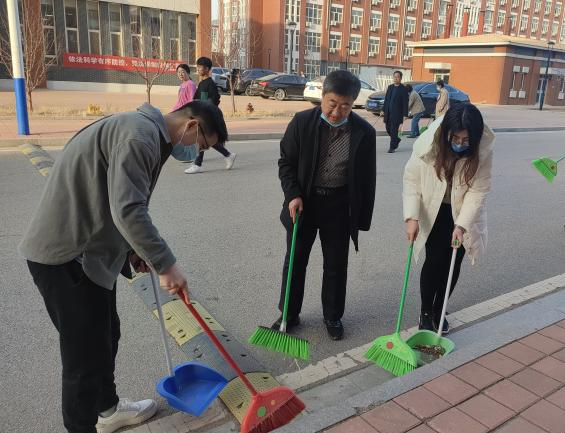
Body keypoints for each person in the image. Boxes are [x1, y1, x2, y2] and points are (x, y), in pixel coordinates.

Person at [19, 100, 228, 433]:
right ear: (192, 125)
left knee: (105, 336)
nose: (195, 152)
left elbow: (114, 198)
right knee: (84, 359)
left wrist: (134, 250)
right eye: (201, 145)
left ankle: (108, 410)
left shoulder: (143, 131)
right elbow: (128, 210)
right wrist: (166, 264)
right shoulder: (139, 137)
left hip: (88, 253)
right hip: (67, 256)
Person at [276, 70, 376, 340]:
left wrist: (361, 219)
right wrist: (293, 195)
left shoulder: (364, 132)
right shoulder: (301, 123)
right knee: (295, 260)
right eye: (332, 103)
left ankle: (333, 315)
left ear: (353, 103)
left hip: (339, 206)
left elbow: (367, 179)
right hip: (304, 203)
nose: (336, 112)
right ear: (322, 97)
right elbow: (286, 163)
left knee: (335, 264)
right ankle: (288, 314)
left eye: (345, 106)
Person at [403, 103, 494, 335]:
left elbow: (478, 191)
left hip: (463, 212)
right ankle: (426, 313)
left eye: (466, 141)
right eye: (455, 138)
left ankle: (439, 310)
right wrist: (412, 217)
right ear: (446, 133)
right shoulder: (427, 145)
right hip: (435, 210)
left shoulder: (482, 150)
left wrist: (461, 226)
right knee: (434, 261)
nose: (460, 144)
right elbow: (412, 180)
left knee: (453, 263)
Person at [185, 56, 236, 174]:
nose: (198, 69)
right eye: (197, 67)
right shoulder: (202, 83)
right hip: (201, 115)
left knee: (202, 139)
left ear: (207, 69)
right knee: (205, 139)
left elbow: (214, 100)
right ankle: (228, 155)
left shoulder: (210, 83)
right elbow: (197, 99)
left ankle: (198, 164)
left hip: (206, 116)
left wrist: (204, 110)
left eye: (200, 67)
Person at [382, 70, 409, 153]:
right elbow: (386, 100)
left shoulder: (403, 89)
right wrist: (383, 110)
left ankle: (392, 147)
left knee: (394, 131)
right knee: (388, 129)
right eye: (394, 77)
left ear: (400, 78)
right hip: (388, 113)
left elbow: (405, 103)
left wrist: (405, 115)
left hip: (397, 114)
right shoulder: (390, 87)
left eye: (397, 77)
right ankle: (396, 139)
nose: (396, 78)